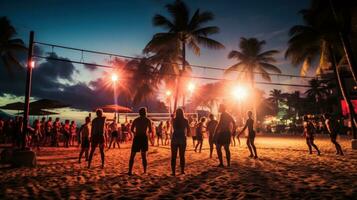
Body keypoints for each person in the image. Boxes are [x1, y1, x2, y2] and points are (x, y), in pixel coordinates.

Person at [128, 107, 152, 175]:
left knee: (132, 155)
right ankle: (144, 171)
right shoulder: (148, 120)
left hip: (137, 137)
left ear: (139, 113)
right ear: (145, 112)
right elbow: (150, 130)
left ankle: (130, 171)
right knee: (143, 156)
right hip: (144, 137)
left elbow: (132, 129)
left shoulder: (136, 120)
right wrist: (146, 133)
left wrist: (135, 133)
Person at [171, 108, 190, 176]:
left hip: (175, 137)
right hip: (182, 137)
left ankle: (173, 172)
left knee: (173, 156)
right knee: (182, 156)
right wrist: (187, 134)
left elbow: (173, 127)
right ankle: (182, 171)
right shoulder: (185, 120)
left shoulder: (173, 120)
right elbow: (188, 130)